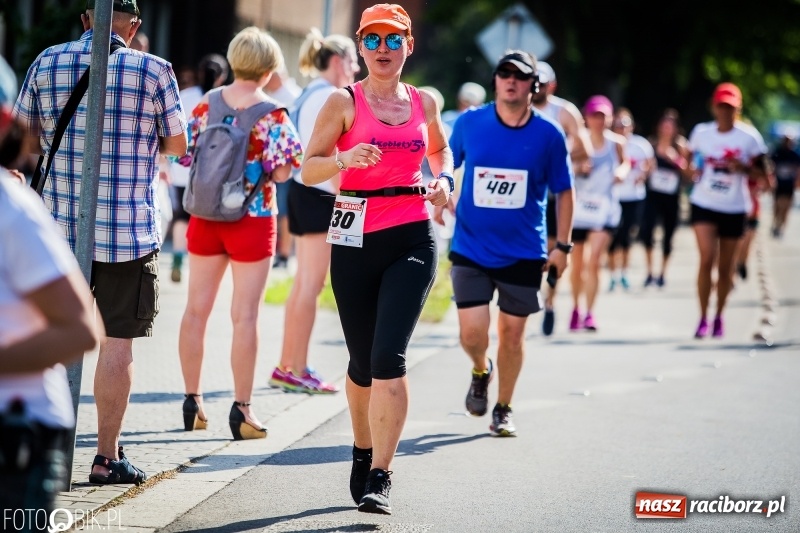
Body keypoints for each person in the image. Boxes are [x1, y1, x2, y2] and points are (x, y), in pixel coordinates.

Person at [13, 0, 187, 485]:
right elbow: (177, 145)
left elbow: (23, 141)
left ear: (87, 18)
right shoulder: (155, 70)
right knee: (117, 346)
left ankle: (40, 451)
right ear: (132, 25)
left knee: (45, 338)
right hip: (127, 233)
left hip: (54, 231)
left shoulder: (47, 60)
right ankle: (105, 457)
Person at [300, 3, 452, 515]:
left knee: (389, 359)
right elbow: (308, 170)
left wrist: (444, 183)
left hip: (411, 233)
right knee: (362, 363)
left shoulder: (424, 102)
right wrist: (343, 158)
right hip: (354, 238)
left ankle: (382, 474)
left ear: (409, 46)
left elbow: (440, 152)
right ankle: (362, 449)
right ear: (361, 46)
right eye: (373, 40)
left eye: (394, 40)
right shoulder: (342, 102)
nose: (383, 49)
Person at [438, 50, 574, 438]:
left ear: (535, 85)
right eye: (504, 73)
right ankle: (481, 369)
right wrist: (441, 188)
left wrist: (563, 247)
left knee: (513, 335)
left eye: (519, 75)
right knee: (472, 335)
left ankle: (503, 407)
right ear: (495, 80)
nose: (510, 80)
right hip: (471, 247)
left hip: (524, 251)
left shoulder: (549, 135)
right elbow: (444, 158)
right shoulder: (470, 123)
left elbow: (565, 192)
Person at [176, 27, 303, 440]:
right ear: (268, 69)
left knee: (196, 310)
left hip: (205, 217)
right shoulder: (273, 113)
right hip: (252, 218)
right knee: (244, 316)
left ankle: (192, 401)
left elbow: (183, 156)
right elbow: (284, 171)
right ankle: (242, 410)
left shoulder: (205, 105)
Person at [269, 27, 360, 394]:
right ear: (338, 61)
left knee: (303, 286)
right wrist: (349, 201)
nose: (356, 68)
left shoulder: (309, 93)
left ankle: (288, 365)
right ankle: (297, 367)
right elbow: (332, 158)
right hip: (323, 196)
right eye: (353, 60)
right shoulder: (331, 96)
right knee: (310, 286)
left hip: (306, 194)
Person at [688, 82, 769, 338]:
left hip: (735, 207)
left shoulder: (749, 138)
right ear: (714, 107)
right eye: (722, 106)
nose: (725, 111)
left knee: (725, 268)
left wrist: (743, 168)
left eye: (730, 107)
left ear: (738, 109)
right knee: (706, 259)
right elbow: (691, 163)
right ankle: (702, 317)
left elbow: (764, 174)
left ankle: (719, 316)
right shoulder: (701, 133)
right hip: (704, 202)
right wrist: (691, 171)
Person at [531, 60, 591, 335]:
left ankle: (550, 302)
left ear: (551, 86)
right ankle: (532, 294)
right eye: (534, 81)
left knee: (554, 250)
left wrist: (559, 159)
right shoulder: (520, 107)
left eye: (542, 83)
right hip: (527, 194)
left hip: (556, 194)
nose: (537, 87)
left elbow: (585, 152)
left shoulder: (564, 111)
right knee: (535, 252)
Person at [167, 53, 229, 283]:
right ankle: (198, 266)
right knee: (201, 219)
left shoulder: (184, 96)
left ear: (200, 73)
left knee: (181, 217)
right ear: (221, 77)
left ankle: (177, 260)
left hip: (182, 168)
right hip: (212, 170)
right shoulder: (224, 99)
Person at [569, 95, 629, 331]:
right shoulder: (578, 142)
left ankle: (590, 313)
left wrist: (622, 173)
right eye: (595, 115)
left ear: (610, 118)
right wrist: (579, 167)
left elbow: (626, 163)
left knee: (594, 262)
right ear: (587, 117)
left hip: (605, 210)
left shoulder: (617, 143)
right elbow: (564, 167)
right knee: (577, 264)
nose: (599, 120)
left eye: (603, 116)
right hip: (579, 209)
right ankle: (575, 307)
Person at [640, 108, 692, 288]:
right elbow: (644, 170)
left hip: (672, 197)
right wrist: (648, 169)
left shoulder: (682, 146)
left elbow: (689, 173)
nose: (667, 128)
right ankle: (649, 272)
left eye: (671, 125)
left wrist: (676, 160)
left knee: (668, 236)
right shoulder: (651, 145)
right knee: (647, 233)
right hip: (652, 195)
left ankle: (662, 273)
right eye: (664, 124)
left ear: (676, 128)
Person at [608, 107, 654, 290]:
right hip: (613, 196)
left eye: (625, 124)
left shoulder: (641, 145)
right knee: (612, 237)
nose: (621, 128)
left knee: (627, 235)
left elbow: (651, 164)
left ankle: (624, 272)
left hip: (634, 197)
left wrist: (643, 174)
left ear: (632, 126)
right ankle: (612, 274)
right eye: (618, 124)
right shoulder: (608, 142)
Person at [265, 63, 302, 269]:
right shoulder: (293, 93)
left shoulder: (285, 97)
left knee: (284, 209)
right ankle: (283, 253)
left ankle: (284, 254)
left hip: (285, 164)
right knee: (283, 209)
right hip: (287, 163)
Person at [770, 134, 800, 238]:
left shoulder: (795, 155)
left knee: (786, 207)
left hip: (789, 185)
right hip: (778, 184)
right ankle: (775, 223)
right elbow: (770, 168)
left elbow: (798, 170)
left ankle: (780, 226)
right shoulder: (777, 153)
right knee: (777, 206)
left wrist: (797, 182)